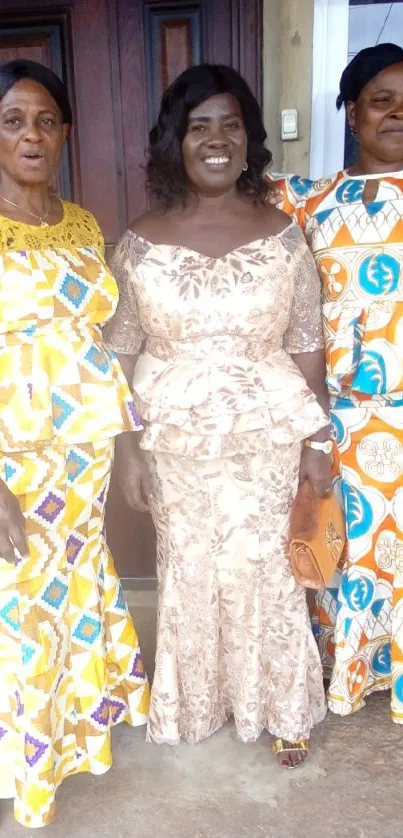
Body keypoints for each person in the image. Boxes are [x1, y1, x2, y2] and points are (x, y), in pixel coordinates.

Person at [103, 63, 332, 767]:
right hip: (173, 439)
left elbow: (306, 343)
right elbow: (114, 352)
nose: (216, 139)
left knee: (266, 570)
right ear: (175, 140)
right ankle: (195, 704)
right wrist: (127, 451)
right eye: (198, 125)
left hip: (266, 433)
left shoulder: (284, 237)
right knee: (190, 570)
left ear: (249, 139)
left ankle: (284, 707)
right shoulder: (138, 243)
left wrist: (317, 441)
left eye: (230, 124)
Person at [0, 59, 149, 829]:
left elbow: (98, 338)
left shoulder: (82, 222)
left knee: (75, 590)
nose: (32, 134)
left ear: (64, 132)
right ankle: (29, 765)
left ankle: (79, 737)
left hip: (84, 445)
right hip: (14, 453)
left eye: (45, 120)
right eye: (13, 120)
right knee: (22, 606)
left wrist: (124, 448)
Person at [266, 42, 403, 725]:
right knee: (345, 553)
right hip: (339, 417)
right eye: (380, 100)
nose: (396, 113)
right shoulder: (309, 203)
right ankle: (350, 672)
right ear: (351, 113)